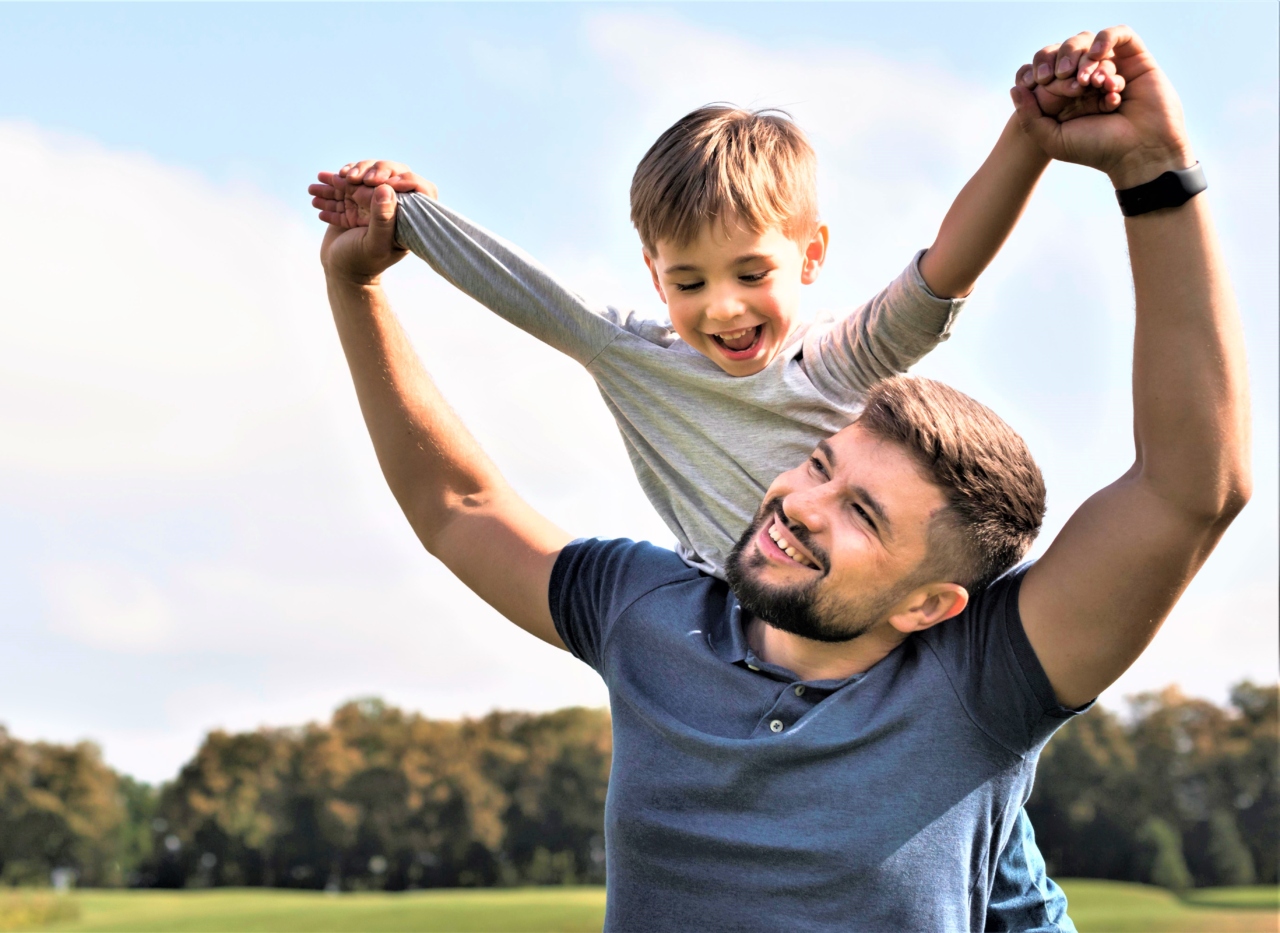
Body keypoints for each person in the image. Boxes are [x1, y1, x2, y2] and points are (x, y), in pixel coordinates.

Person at [315, 24, 1249, 931]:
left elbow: (1189, 489)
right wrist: (357, 288)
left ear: (933, 602)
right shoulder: (648, 616)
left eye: (863, 516)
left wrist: (1152, 170)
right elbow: (458, 504)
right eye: (818, 463)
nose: (799, 505)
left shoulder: (985, 684)